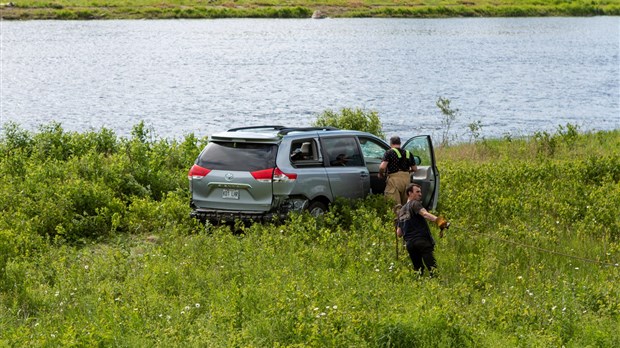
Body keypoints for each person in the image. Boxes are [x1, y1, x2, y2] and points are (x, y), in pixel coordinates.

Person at [397, 183, 449, 276]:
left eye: (420, 192)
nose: (420, 194)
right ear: (410, 193)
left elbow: (399, 233)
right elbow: (425, 214)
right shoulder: (414, 203)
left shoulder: (401, 211)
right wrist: (440, 221)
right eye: (417, 192)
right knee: (432, 268)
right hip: (421, 241)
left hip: (410, 244)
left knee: (418, 270)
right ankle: (435, 285)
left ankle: (419, 286)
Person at [378, 136, 417, 206]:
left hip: (394, 180)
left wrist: (380, 174)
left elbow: (382, 167)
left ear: (391, 143)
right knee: (406, 204)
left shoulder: (389, 152)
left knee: (394, 205)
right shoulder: (408, 153)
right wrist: (408, 172)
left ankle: (396, 216)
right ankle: (406, 216)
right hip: (406, 180)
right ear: (400, 143)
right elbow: (415, 169)